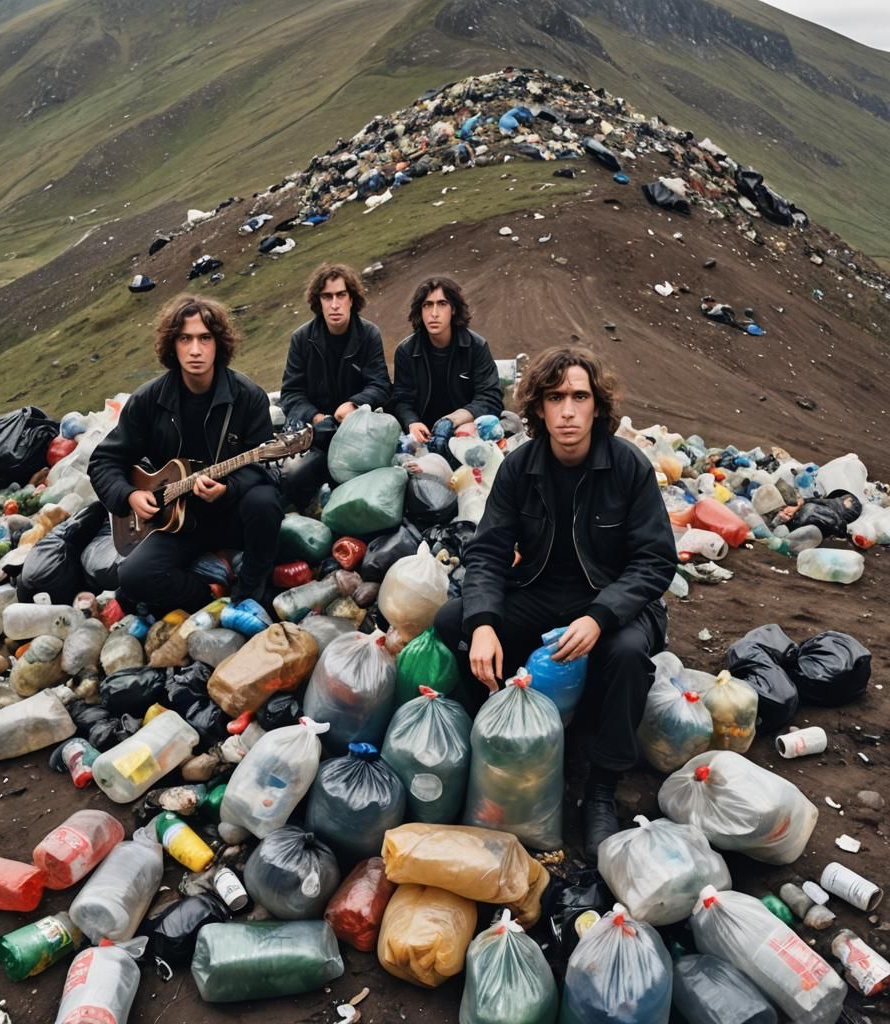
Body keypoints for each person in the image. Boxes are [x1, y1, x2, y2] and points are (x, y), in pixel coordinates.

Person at [434, 346, 678, 859]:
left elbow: (655, 561)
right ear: (538, 409)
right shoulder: (520, 467)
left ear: (597, 406)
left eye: (579, 397)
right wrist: (482, 623)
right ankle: (504, 735)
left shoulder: (629, 466)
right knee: (453, 619)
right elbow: (488, 552)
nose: (567, 410)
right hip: (544, 591)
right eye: (555, 397)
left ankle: (601, 787)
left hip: (613, 599)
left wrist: (601, 615)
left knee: (628, 654)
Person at [89, 295, 283, 613]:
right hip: (175, 523)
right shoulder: (149, 401)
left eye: (205, 338)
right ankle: (208, 596)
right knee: (134, 577)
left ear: (219, 343)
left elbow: (267, 469)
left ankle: (248, 593)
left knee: (264, 501)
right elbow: (104, 461)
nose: (195, 350)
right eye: (185, 339)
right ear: (172, 345)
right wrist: (128, 497)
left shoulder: (247, 397)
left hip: (231, 513)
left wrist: (228, 488)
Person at [279, 262, 392, 508]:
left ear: (352, 299)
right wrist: (316, 417)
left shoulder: (369, 334)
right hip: (316, 437)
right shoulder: (302, 339)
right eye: (327, 296)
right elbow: (291, 393)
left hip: (360, 434)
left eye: (341, 295)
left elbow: (381, 384)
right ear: (318, 301)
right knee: (293, 476)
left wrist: (355, 405)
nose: (335, 303)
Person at [392, 277, 503, 455]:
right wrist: (412, 422)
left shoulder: (475, 347)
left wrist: (452, 420)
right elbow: (401, 399)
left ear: (453, 309)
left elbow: (491, 398)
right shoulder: (406, 351)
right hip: (424, 437)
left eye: (442, 304)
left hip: (467, 434)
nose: (434, 313)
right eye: (427, 305)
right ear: (420, 311)